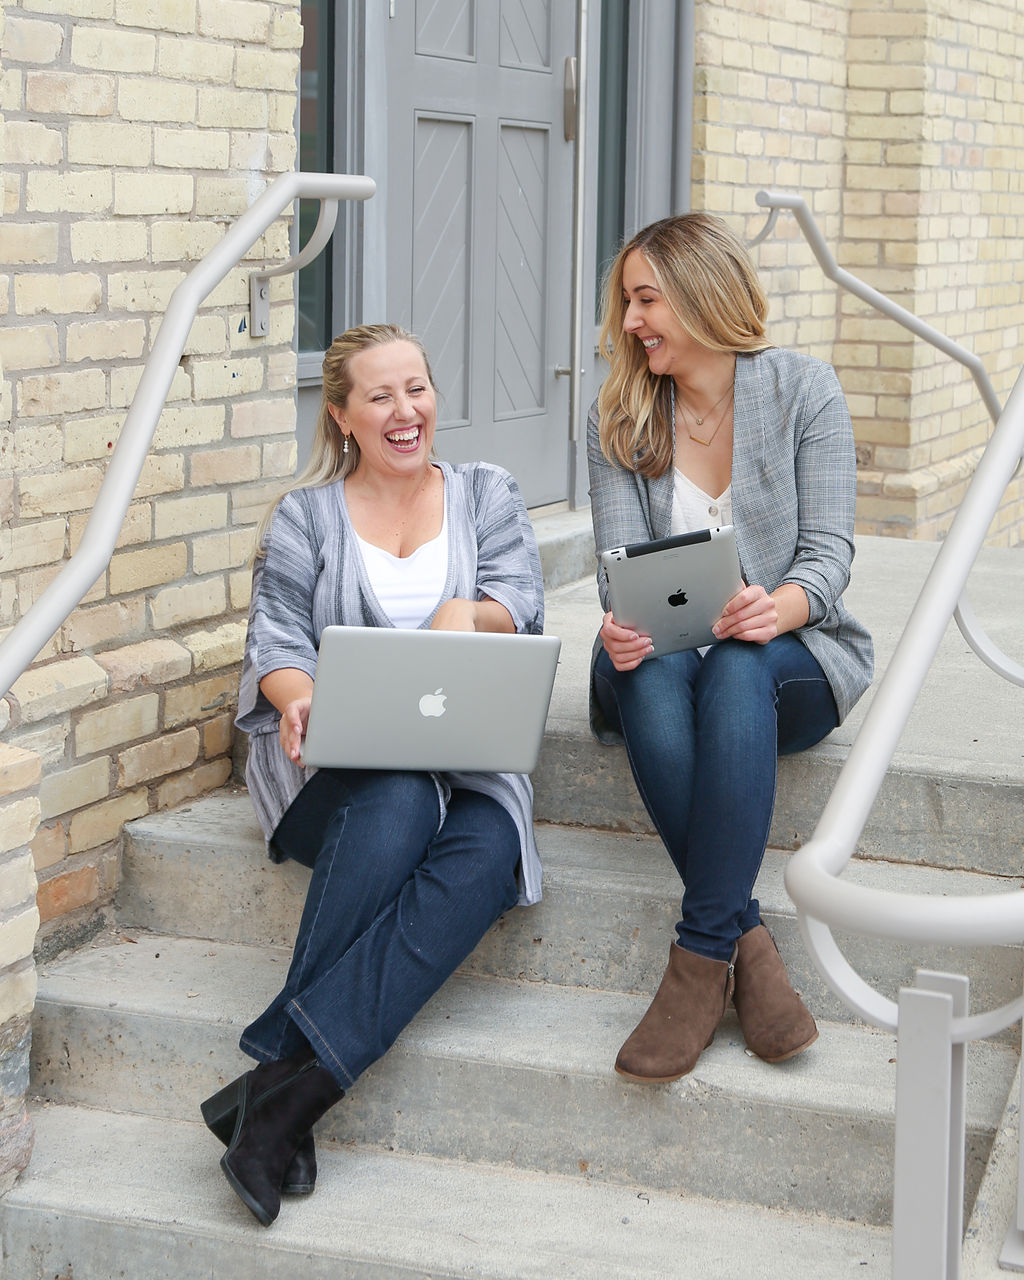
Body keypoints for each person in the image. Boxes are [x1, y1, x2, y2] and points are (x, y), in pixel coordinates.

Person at [201, 323, 545, 1225]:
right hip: (331, 772)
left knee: (486, 852)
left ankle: (283, 1094)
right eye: (382, 396)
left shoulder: (487, 493)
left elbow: (522, 598)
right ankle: (285, 1092)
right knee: (395, 802)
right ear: (344, 414)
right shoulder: (305, 515)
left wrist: (465, 612)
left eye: (419, 389)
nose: (407, 412)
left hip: (467, 761)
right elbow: (272, 636)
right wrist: (296, 695)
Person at [588, 213, 873, 1084]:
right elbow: (617, 576)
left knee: (739, 665)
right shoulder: (619, 412)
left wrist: (778, 607)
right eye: (628, 302)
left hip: (788, 659)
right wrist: (620, 621)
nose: (631, 323)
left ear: (705, 296)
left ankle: (700, 954)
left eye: (647, 300)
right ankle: (742, 941)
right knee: (656, 660)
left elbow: (829, 555)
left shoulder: (803, 391)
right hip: (658, 666)